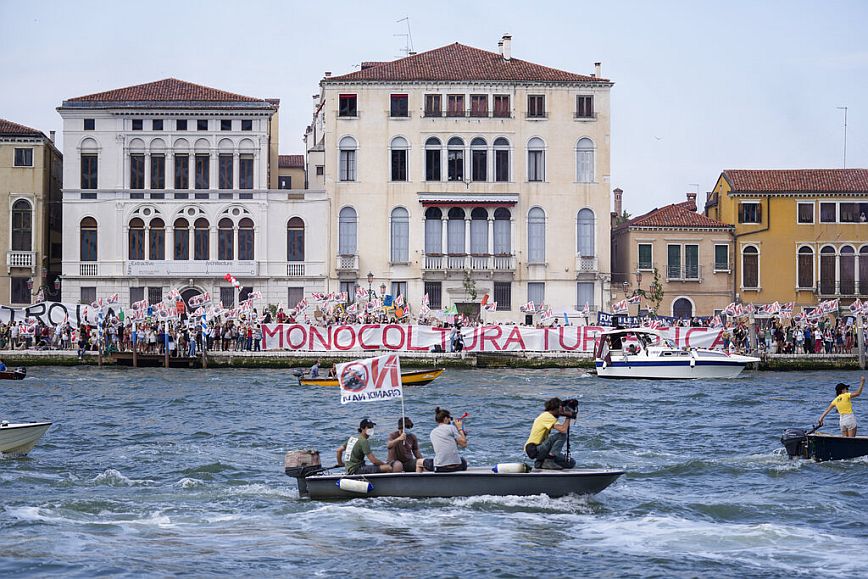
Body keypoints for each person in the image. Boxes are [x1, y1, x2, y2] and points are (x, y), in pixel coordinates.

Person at [524, 397, 576, 470]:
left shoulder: (548, 416)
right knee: (562, 435)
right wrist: (568, 416)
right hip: (534, 448)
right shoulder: (547, 416)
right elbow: (563, 430)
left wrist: (569, 414)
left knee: (570, 462)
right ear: (557, 408)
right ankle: (549, 460)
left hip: (540, 449)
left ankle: (540, 463)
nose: (563, 410)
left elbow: (562, 424)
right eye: (562, 408)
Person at [336, 418, 402, 475]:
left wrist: (340, 463)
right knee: (388, 468)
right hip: (356, 470)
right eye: (369, 427)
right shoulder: (363, 441)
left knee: (380, 466)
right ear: (362, 428)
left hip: (349, 469)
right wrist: (385, 464)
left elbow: (339, 450)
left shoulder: (353, 438)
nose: (371, 429)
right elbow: (374, 461)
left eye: (372, 427)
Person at [419, 407, 467, 472]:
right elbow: (464, 444)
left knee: (419, 462)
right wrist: (460, 428)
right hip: (457, 466)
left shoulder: (432, 432)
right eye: (450, 418)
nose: (450, 421)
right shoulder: (451, 428)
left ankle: (421, 477)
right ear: (445, 419)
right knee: (463, 460)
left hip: (440, 467)